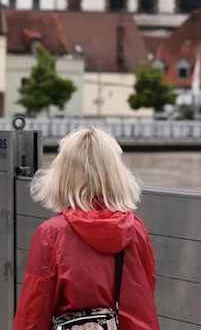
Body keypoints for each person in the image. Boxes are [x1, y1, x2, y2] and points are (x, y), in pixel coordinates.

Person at [14, 126, 159, 330]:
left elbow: (34, 313)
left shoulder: (51, 234)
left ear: (63, 175)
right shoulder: (135, 229)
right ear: (117, 174)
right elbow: (146, 291)